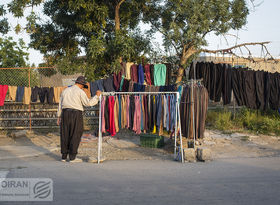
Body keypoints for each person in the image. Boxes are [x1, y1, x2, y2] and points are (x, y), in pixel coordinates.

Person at [57, 76, 101, 162]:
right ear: (81, 85)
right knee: (75, 134)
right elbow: (88, 103)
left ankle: (64, 156)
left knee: (65, 134)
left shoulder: (65, 91)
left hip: (65, 113)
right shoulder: (80, 92)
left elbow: (60, 105)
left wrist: (59, 116)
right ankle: (72, 157)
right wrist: (97, 96)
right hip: (76, 114)